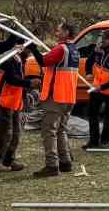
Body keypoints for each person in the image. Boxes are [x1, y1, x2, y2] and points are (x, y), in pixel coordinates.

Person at [34, 22, 79, 177]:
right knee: (61, 130)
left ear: (66, 32)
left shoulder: (61, 49)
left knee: (49, 131)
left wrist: (33, 48)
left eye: (58, 30)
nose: (56, 32)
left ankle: (52, 165)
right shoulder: (74, 50)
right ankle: (65, 161)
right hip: (69, 97)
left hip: (56, 97)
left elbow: (43, 62)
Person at [0, 46, 35, 173]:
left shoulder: (21, 59)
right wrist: (29, 83)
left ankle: (8, 160)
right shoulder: (9, 60)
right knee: (4, 134)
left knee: (16, 133)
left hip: (15, 102)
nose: (30, 51)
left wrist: (25, 98)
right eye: (29, 48)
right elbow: (11, 79)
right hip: (4, 102)